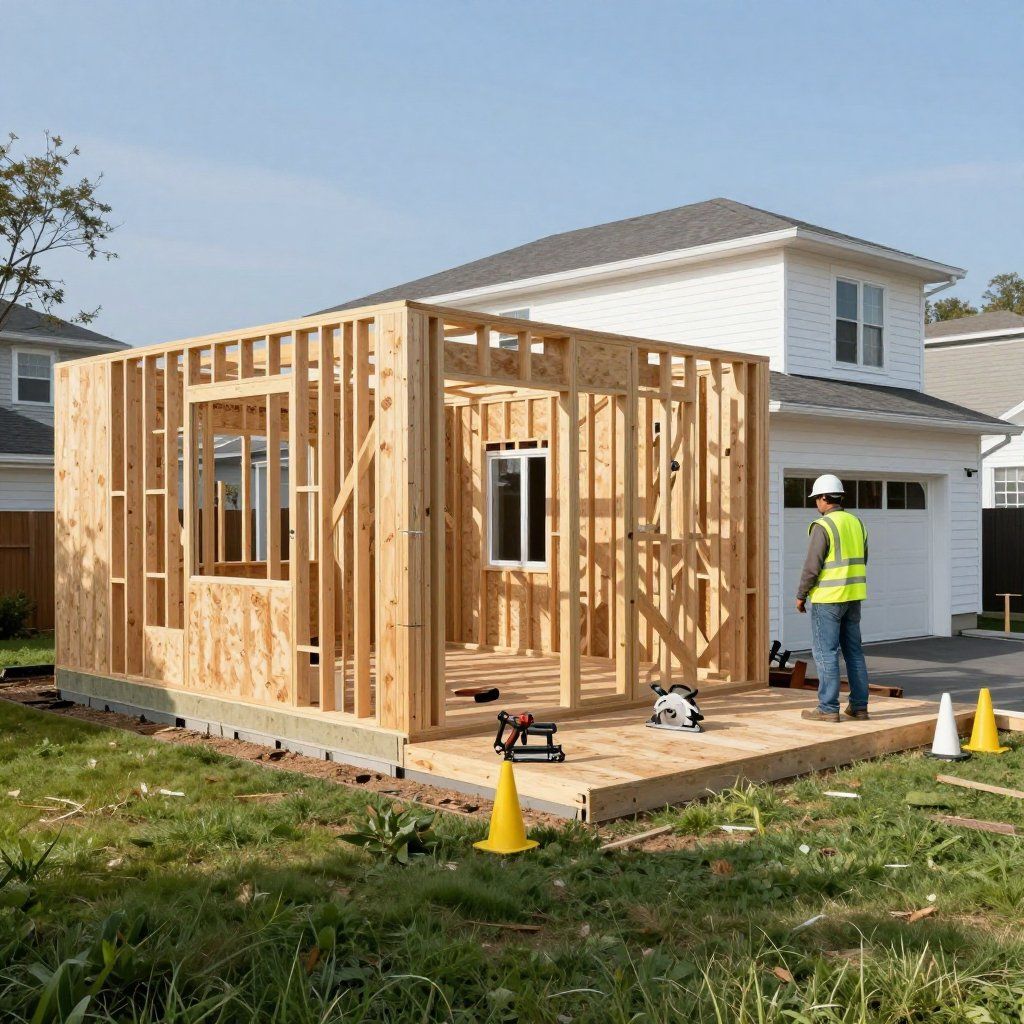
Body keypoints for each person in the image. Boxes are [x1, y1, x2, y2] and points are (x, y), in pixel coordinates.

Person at [795, 474, 870, 723]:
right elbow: (864, 558)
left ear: (825, 498)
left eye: (817, 498)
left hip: (828, 598)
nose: (816, 503)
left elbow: (811, 567)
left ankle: (827, 708)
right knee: (854, 653)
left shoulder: (823, 526)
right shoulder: (856, 523)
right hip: (853, 596)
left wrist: (801, 595)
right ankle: (859, 707)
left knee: (825, 652)